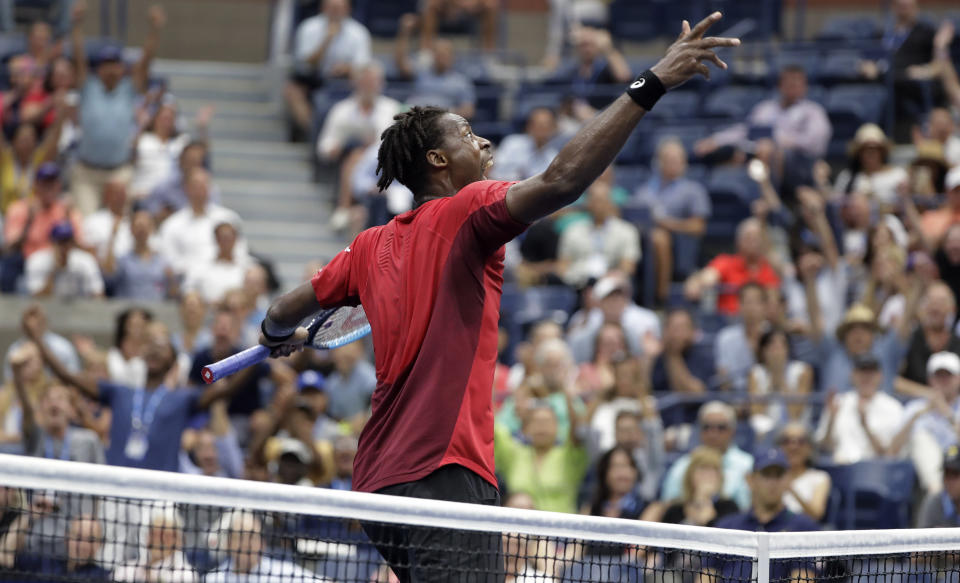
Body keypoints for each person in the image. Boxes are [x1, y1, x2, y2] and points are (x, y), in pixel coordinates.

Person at [255, 14, 736, 580]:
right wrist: (648, 82)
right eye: (465, 133)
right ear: (437, 160)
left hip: (378, 482)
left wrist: (277, 337)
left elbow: (282, 310)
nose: (482, 141)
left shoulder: (367, 246)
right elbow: (561, 182)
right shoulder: (469, 208)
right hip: (444, 470)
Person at [21, 306, 250, 472]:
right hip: (117, 493)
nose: (155, 350)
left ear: (173, 361)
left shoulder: (183, 398)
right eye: (151, 345)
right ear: (142, 354)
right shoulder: (119, 392)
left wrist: (262, 350)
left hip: (161, 495)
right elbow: (66, 375)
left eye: (163, 347)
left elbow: (227, 390)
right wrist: (36, 338)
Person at [69, 4, 166, 216]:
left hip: (119, 171)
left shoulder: (128, 89)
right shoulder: (88, 86)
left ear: (122, 68)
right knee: (87, 227)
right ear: (99, 68)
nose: (111, 69)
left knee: (119, 226)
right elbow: (78, 57)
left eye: (115, 64)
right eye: (107, 64)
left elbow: (146, 61)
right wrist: (76, 25)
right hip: (87, 173)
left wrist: (154, 30)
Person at [707, 450, 819, 583]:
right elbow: (706, 574)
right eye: (766, 475)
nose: (772, 482)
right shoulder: (726, 526)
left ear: (788, 480)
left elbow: (803, 578)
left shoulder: (804, 527)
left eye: (778, 475)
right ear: (750, 480)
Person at [694, 65, 831, 164]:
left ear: (804, 87)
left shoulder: (813, 111)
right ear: (780, 85)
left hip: (798, 162)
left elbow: (816, 144)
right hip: (758, 154)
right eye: (789, 83)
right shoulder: (765, 108)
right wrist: (716, 140)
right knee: (734, 155)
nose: (793, 87)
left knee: (769, 151)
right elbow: (745, 131)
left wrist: (780, 141)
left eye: (797, 83)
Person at [632, 138, 711, 303]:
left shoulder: (693, 190)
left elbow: (698, 226)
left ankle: (660, 297)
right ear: (659, 162)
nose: (674, 164)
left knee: (659, 237)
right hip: (641, 238)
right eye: (669, 159)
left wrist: (666, 223)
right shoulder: (645, 190)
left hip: (677, 244)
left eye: (678, 160)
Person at [285, 0, 372, 139]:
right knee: (293, 90)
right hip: (313, 77)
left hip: (343, 81)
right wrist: (327, 40)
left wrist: (347, 68)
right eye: (332, 8)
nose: (336, 12)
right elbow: (306, 63)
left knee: (364, 81)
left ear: (348, 9)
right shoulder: (309, 27)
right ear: (324, 8)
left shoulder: (359, 32)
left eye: (340, 8)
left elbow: (363, 65)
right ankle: (314, 133)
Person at [495, 396, 588, 514]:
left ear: (558, 427)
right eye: (536, 421)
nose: (542, 426)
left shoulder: (569, 455)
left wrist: (568, 394)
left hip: (559, 529)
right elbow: (494, 428)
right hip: (519, 530)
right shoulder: (513, 453)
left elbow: (578, 432)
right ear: (525, 428)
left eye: (547, 421)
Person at [660, 401, 754, 510]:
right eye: (707, 427)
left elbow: (748, 508)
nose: (713, 434)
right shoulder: (683, 464)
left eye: (721, 427)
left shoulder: (747, 464)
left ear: (732, 431)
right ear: (699, 431)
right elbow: (668, 504)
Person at [815, 354, 907, 464]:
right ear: (852, 375)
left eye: (871, 373)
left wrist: (864, 424)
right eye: (862, 372)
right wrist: (831, 420)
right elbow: (824, 447)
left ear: (880, 376)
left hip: (876, 470)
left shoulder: (893, 407)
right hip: (841, 469)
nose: (866, 377)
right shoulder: (838, 402)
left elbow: (888, 453)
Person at [158, 168, 246, 277]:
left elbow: (240, 250)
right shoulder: (172, 225)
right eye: (196, 185)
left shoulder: (228, 218)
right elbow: (168, 258)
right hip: (187, 279)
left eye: (204, 185)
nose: (200, 190)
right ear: (186, 189)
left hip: (225, 276)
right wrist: (197, 271)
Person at [684, 217, 781, 315]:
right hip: (728, 321)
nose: (753, 242)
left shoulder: (770, 268)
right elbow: (706, 278)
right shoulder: (726, 262)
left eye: (756, 238)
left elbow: (774, 300)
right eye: (748, 237)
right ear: (738, 241)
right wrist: (696, 282)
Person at [897, 352, 960, 494]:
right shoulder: (915, 408)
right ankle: (937, 493)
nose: (943, 381)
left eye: (948, 376)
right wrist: (916, 417)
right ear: (930, 379)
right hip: (920, 472)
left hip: (956, 464)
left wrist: (948, 414)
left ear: (958, 379)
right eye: (938, 376)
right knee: (920, 436)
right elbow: (892, 452)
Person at [558, 180, 640, 287]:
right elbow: (563, 266)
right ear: (588, 203)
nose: (598, 205)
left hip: (611, 285)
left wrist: (611, 278)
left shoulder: (627, 231)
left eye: (602, 200)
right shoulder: (572, 231)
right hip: (578, 284)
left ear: (610, 203)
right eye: (594, 200)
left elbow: (628, 266)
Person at [206, 511, 328, 582]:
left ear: (262, 543)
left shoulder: (284, 573)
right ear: (228, 543)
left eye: (253, 537)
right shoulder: (214, 579)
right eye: (241, 537)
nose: (247, 543)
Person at [567, 272, 660, 364]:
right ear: (599, 302)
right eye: (610, 298)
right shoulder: (583, 328)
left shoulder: (642, 328)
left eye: (620, 296)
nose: (615, 302)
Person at [395, 16, 476, 119]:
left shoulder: (461, 82)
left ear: (452, 57)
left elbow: (469, 110)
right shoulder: (421, 72)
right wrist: (404, 32)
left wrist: (443, 114)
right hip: (417, 121)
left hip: (444, 124)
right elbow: (401, 63)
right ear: (433, 55)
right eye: (438, 54)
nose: (441, 58)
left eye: (445, 54)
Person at [2, 162, 84, 261]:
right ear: (35, 185)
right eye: (45, 184)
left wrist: (67, 220)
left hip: (60, 264)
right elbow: (9, 248)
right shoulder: (20, 208)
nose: (48, 188)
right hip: (26, 262)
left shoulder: (67, 209)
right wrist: (28, 222)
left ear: (59, 185)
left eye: (52, 183)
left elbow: (80, 247)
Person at [747, 329, 814, 440]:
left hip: (795, 428)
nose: (777, 350)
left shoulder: (803, 371)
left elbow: (795, 414)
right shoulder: (755, 373)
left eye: (781, 345)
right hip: (765, 430)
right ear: (764, 351)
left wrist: (780, 376)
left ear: (788, 350)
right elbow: (757, 413)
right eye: (772, 345)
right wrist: (772, 378)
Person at [658, 445, 740, 526]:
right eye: (703, 469)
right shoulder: (675, 509)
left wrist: (707, 514)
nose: (707, 476)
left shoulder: (729, 508)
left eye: (713, 470)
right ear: (690, 475)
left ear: (720, 477)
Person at [113, 506, 198, 583]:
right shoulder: (126, 569)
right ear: (148, 537)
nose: (159, 540)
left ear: (179, 541)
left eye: (167, 535)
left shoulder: (186, 575)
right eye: (155, 534)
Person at [832, 124, 908, 209]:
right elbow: (836, 205)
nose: (870, 153)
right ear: (859, 153)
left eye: (875, 149)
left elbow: (907, 206)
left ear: (882, 151)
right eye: (865, 149)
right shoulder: (847, 177)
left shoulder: (898, 175)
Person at [12, 514, 112, 580]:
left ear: (99, 544)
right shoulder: (45, 564)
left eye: (91, 540)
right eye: (78, 537)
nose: (83, 545)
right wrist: (29, 515)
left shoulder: (104, 577)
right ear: (66, 538)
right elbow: (6, 557)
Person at [106, 207, 175, 300]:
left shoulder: (162, 262)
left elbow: (171, 292)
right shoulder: (123, 261)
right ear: (131, 229)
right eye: (138, 226)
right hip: (128, 310)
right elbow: (109, 276)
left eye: (145, 227)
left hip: (156, 311)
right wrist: (113, 236)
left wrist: (171, 281)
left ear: (151, 229)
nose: (141, 231)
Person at [715, 282, 771, 393]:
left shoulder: (775, 336)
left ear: (765, 306)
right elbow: (724, 378)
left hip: (767, 395)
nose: (751, 307)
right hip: (735, 396)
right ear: (739, 305)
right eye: (747, 302)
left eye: (756, 302)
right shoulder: (725, 337)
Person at [24, 220, 104, 298]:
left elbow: (98, 294)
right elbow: (36, 298)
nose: (64, 246)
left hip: (80, 309)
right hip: (49, 309)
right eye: (60, 242)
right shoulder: (37, 261)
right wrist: (54, 270)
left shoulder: (86, 260)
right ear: (52, 243)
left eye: (67, 241)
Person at [183, 222, 251, 304]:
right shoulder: (200, 266)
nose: (226, 242)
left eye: (229, 238)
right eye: (222, 238)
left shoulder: (248, 266)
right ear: (216, 240)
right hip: (208, 311)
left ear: (235, 239)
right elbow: (189, 289)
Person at [777, 423, 831, 522]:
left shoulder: (819, 478)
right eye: (787, 441)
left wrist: (791, 489)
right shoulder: (771, 476)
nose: (793, 446)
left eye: (801, 441)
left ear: (810, 448)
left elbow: (816, 515)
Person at [491, 108, 561, 182]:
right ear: (529, 126)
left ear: (553, 128)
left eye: (547, 126)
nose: (542, 130)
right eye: (539, 125)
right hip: (505, 188)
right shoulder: (512, 143)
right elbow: (495, 172)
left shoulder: (552, 156)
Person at [324, 341, 377, 422]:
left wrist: (365, 417)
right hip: (346, 429)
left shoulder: (367, 373)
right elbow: (336, 416)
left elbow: (377, 402)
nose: (340, 355)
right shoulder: (331, 384)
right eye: (337, 352)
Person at [916, 444, 960, 527]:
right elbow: (924, 538)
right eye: (946, 474)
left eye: (955, 474)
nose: (949, 481)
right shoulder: (934, 503)